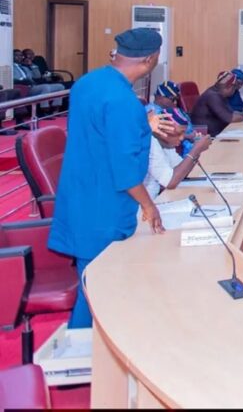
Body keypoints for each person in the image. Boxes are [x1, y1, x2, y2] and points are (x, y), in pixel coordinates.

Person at [48, 28, 176, 329]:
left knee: (91, 282)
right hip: (104, 209)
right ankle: (80, 349)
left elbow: (98, 134)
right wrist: (149, 206)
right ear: (150, 59)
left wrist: (141, 124)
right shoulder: (123, 102)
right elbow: (125, 170)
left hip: (78, 197)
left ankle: (83, 347)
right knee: (98, 291)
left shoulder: (87, 83)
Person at [144, 125, 212, 198]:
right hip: (149, 202)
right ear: (162, 132)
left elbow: (181, 174)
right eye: (179, 133)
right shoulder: (151, 143)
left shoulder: (167, 144)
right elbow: (170, 182)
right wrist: (196, 149)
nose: (182, 138)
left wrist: (198, 149)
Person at [191, 71, 243, 136]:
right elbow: (230, 118)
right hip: (207, 136)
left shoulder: (219, 94)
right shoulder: (213, 96)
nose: (234, 91)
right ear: (229, 87)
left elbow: (231, 112)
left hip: (216, 132)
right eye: (234, 88)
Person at [12, 49, 64, 116]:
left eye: (21, 55)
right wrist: (24, 80)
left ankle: (55, 110)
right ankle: (44, 110)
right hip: (24, 88)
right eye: (17, 55)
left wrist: (32, 65)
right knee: (45, 87)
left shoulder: (24, 67)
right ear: (12, 56)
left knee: (60, 86)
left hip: (32, 87)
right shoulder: (11, 67)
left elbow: (37, 76)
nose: (19, 57)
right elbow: (13, 79)